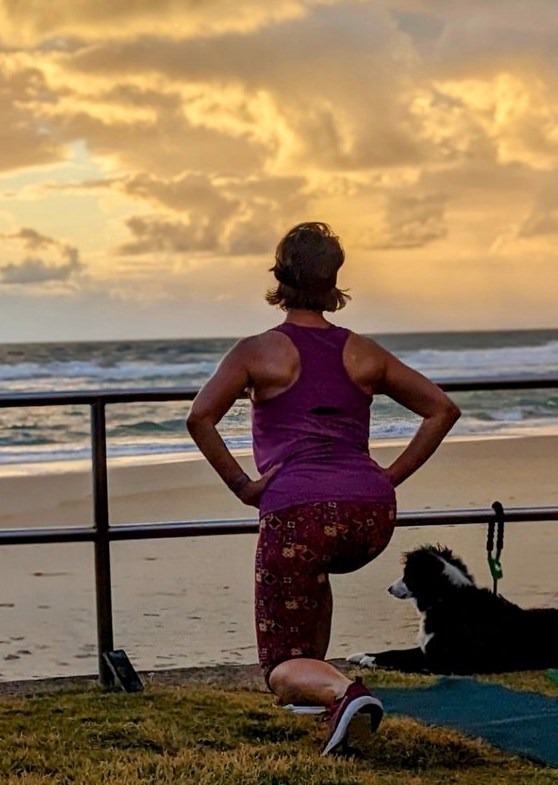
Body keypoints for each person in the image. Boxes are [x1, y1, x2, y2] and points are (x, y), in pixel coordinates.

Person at [185, 222, 460, 755]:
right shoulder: (364, 353)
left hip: (300, 516)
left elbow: (200, 417)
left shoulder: (257, 352)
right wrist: (389, 476)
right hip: (371, 516)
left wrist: (243, 486)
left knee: (279, 664)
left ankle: (343, 692)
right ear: (335, 281)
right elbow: (441, 409)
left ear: (279, 278)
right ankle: (323, 706)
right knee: (313, 582)